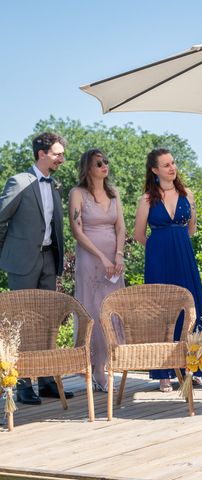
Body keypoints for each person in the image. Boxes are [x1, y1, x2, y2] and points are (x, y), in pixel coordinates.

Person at [134, 148, 202, 391]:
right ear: (154, 170)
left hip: (184, 257)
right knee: (162, 312)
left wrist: (178, 243)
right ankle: (164, 372)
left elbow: (191, 229)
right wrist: (158, 249)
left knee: (191, 308)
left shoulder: (188, 195)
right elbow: (138, 234)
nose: (172, 168)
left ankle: (192, 367)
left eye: (173, 163)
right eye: (166, 165)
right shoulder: (146, 199)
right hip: (158, 260)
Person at [0, 132, 74, 405]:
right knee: (20, 324)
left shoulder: (54, 185)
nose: (61, 158)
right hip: (21, 262)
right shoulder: (19, 181)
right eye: (57, 154)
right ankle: (21, 384)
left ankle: (45, 381)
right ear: (42, 154)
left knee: (46, 323)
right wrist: (7, 253)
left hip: (48, 261)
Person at [69, 149, 126, 392]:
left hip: (114, 263)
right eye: (98, 163)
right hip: (90, 260)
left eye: (106, 161)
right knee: (92, 310)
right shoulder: (77, 193)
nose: (104, 165)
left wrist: (118, 255)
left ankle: (109, 363)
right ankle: (95, 370)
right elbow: (77, 230)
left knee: (110, 310)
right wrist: (102, 257)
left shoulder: (114, 194)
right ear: (88, 168)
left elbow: (121, 227)